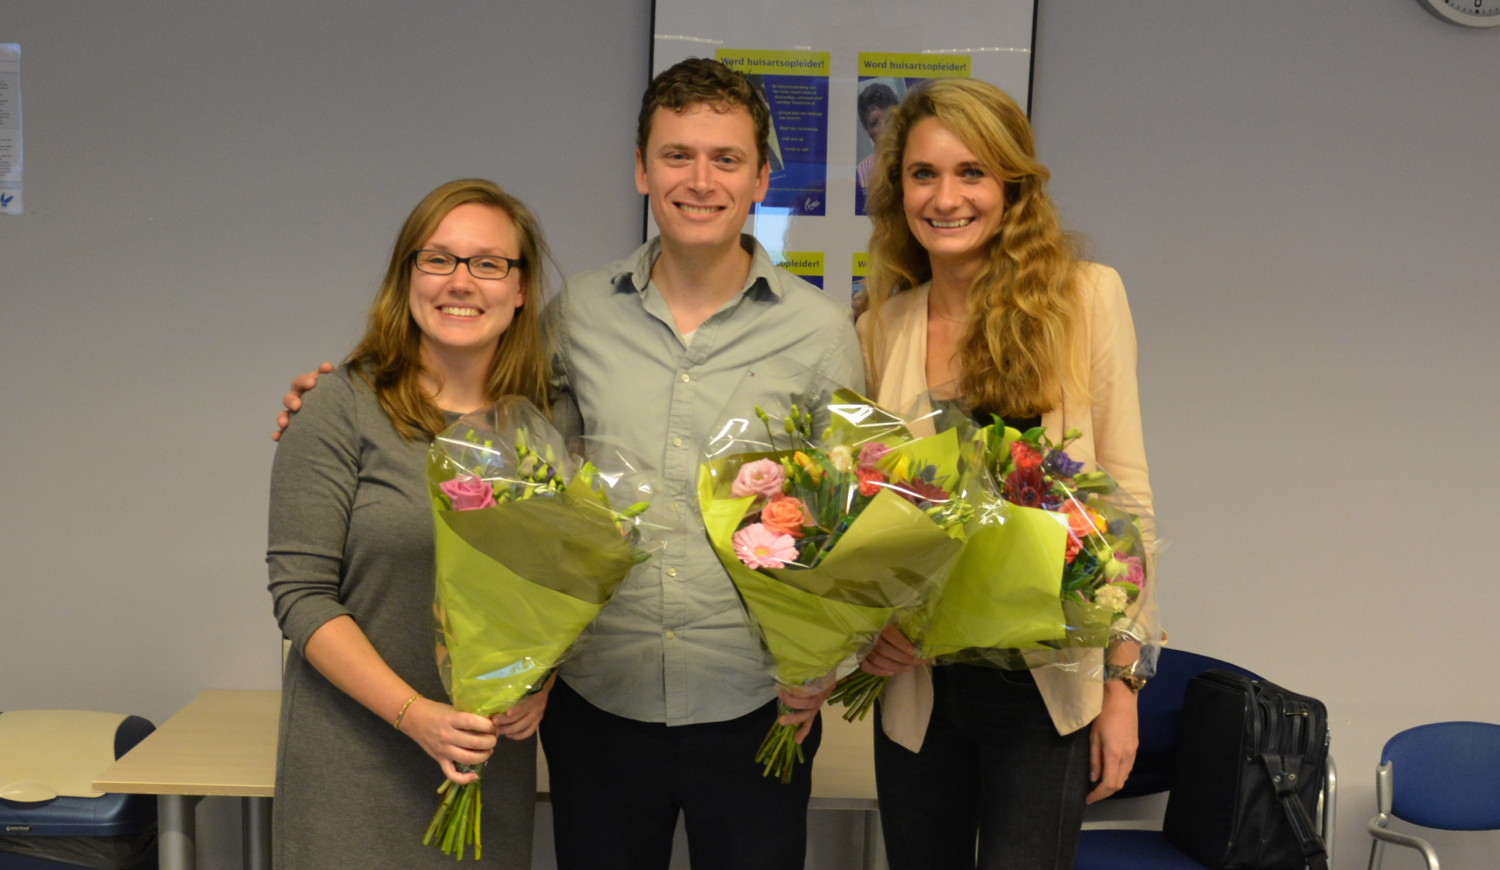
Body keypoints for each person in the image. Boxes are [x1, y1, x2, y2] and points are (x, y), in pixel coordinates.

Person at [276, 60, 864, 869]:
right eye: (676, 155)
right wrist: (337, 391)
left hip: (755, 704)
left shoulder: (823, 332)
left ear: (762, 174)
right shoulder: (576, 316)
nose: (700, 180)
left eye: (726, 158)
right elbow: (498, 423)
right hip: (598, 706)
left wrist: (830, 663)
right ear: (641, 169)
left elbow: (847, 514)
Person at [854, 78, 1157, 869]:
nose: (946, 197)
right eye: (924, 174)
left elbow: (1126, 502)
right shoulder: (885, 323)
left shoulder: (1086, 299)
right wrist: (865, 631)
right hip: (921, 689)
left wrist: (1125, 681)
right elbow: (867, 513)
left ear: (1012, 186)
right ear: (899, 191)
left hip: (1044, 685)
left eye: (972, 173)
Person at [267, 179, 555, 869]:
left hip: (486, 766)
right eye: (438, 260)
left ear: (519, 289)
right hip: (354, 772)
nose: (462, 282)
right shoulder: (340, 407)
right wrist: (414, 715)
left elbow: (565, 584)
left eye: (489, 263)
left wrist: (541, 681)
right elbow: (301, 596)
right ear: (407, 278)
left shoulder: (547, 422)